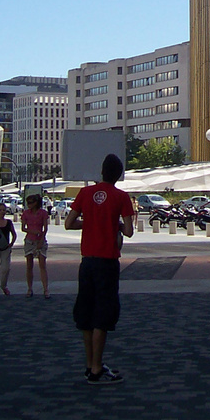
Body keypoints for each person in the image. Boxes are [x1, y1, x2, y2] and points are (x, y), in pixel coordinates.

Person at [65, 154, 135, 384]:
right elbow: (128, 231)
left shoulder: (85, 194)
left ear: (101, 171)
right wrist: (112, 223)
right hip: (107, 262)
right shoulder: (121, 197)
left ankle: (89, 364)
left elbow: (69, 223)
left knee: (85, 313)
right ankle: (97, 368)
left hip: (87, 262)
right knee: (102, 316)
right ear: (119, 174)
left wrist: (90, 222)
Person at [21, 193, 51, 298]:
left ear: (36, 203)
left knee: (42, 265)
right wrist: (33, 231)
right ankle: (29, 288)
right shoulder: (25, 213)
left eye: (31, 203)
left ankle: (46, 289)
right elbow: (23, 228)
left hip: (40, 240)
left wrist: (41, 240)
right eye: (27, 203)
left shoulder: (43, 213)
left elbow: (45, 228)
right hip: (29, 240)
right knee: (29, 265)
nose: (29, 205)